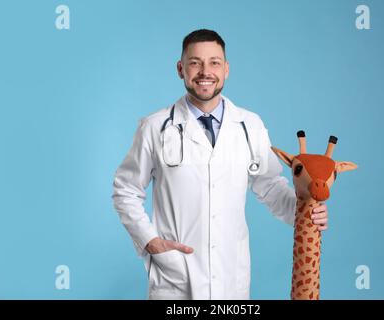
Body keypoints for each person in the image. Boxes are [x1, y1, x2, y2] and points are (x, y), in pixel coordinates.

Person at [112, 29, 329, 300]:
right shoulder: (155, 127)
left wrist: (304, 212)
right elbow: (125, 190)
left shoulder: (250, 125)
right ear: (181, 69)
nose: (205, 71)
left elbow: (270, 186)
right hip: (177, 278)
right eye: (195, 62)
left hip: (231, 278)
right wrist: (150, 241)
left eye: (214, 62)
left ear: (226, 69)